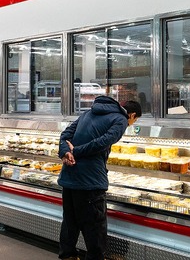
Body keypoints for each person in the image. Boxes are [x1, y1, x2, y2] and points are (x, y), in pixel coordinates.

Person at [57, 97, 142, 260]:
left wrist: (65, 153)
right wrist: (77, 152)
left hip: (69, 176)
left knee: (70, 222)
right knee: (95, 227)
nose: (132, 123)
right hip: (91, 181)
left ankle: (68, 256)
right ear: (131, 115)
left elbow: (65, 136)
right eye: (135, 120)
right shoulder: (121, 120)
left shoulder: (88, 113)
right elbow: (103, 142)